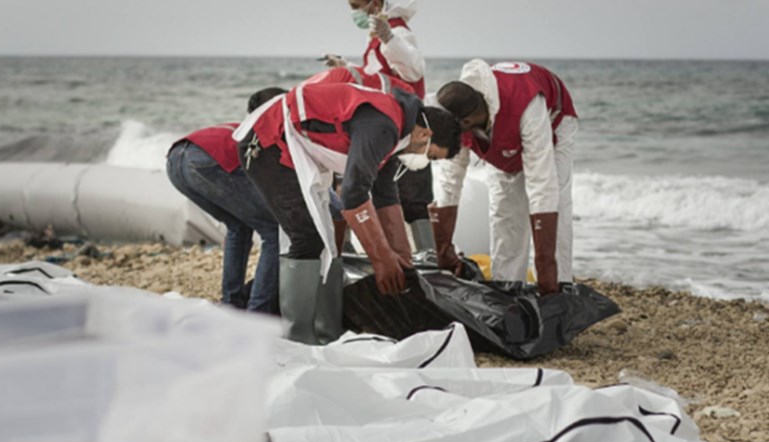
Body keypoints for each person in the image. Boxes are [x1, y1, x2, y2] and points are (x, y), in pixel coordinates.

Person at [233, 81, 460, 345]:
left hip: (298, 150)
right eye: (430, 156)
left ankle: (327, 332)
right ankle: (298, 340)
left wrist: (401, 259)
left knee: (334, 238)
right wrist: (381, 258)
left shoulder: (397, 134)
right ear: (424, 135)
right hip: (266, 142)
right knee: (307, 237)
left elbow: (385, 195)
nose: (423, 163)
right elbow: (353, 193)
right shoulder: (384, 126)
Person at [431, 60, 579, 295]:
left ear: (466, 123)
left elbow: (542, 183)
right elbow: (449, 182)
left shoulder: (528, 107)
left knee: (555, 202)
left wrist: (544, 265)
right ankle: (507, 285)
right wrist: (443, 249)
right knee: (505, 209)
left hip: (553, 121)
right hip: (500, 129)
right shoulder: (456, 116)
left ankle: (559, 285)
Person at [325, 0, 434, 252]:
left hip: (406, 125)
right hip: (387, 124)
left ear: (374, 3)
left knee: (413, 196)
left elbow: (414, 69)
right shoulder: (375, 36)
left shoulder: (397, 30)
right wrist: (348, 69)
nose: (354, 12)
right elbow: (376, 76)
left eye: (356, 4)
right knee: (382, 188)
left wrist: (389, 38)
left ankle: (426, 258)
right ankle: (396, 257)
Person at [165, 87, 287, 313]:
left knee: (238, 226)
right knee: (274, 229)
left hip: (175, 161)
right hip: (206, 161)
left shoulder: (238, 126)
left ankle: (231, 304)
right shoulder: (270, 131)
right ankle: (258, 312)